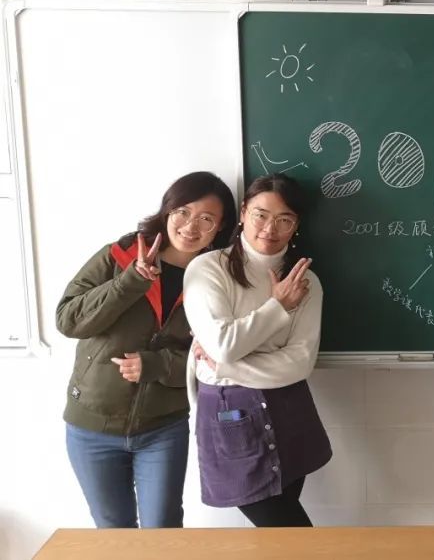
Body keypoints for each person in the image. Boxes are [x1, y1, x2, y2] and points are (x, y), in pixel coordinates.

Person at [57, 171, 236, 528]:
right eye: (183, 212)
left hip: (162, 427)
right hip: (91, 426)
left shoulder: (219, 277)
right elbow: (69, 320)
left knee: (163, 529)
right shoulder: (120, 255)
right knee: (114, 529)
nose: (190, 226)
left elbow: (220, 355)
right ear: (168, 210)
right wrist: (131, 281)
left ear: (220, 228)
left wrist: (158, 365)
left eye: (206, 219)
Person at [184, 173, 331, 527]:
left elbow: (300, 362)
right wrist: (278, 306)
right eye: (260, 215)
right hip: (230, 412)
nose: (270, 228)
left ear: (296, 225)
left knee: (279, 539)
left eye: (284, 219)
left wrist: (227, 367)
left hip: (290, 407)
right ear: (243, 212)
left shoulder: (305, 282)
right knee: (292, 534)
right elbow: (224, 344)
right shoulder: (208, 269)